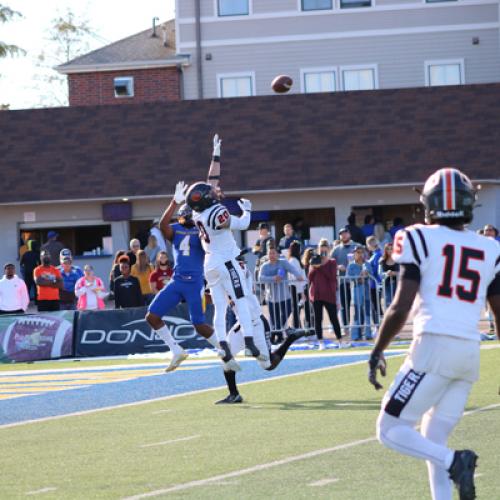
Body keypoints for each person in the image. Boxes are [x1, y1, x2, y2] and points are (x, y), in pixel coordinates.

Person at [368, 167, 500, 500]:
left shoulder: (416, 236)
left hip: (433, 347)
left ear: (430, 205)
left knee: (389, 429)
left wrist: (377, 350)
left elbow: (400, 306)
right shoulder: (490, 248)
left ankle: (456, 461)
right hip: (469, 356)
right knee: (432, 438)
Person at [186, 134, 268, 370]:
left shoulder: (197, 213)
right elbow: (241, 225)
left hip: (209, 263)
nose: (215, 190)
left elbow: (210, 181)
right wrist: (248, 211)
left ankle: (223, 346)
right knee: (240, 298)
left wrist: (216, 155)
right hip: (226, 260)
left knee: (220, 307)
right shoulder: (217, 212)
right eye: (211, 192)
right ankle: (251, 342)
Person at [216, 251, 307, 404]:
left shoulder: (240, 269)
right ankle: (234, 394)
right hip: (241, 324)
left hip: (256, 323)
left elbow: (238, 271)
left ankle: (290, 338)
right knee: (226, 357)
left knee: (268, 365)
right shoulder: (224, 274)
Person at [146, 194, 222, 372]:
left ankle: (224, 348)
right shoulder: (177, 230)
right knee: (152, 317)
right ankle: (176, 350)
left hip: (195, 282)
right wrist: (174, 202)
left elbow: (215, 235)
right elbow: (163, 225)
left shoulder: (202, 230)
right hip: (177, 280)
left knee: (199, 325)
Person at [259, 247, 304, 343]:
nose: (272, 255)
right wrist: (273, 278)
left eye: (274, 253)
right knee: (274, 319)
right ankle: (278, 337)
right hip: (271, 297)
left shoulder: (283, 262)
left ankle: (274, 333)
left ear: (278, 254)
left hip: (285, 296)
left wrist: (298, 276)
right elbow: (260, 278)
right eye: (270, 253)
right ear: (267, 255)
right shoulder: (264, 266)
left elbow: (292, 269)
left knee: (285, 314)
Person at [308, 240, 343, 349]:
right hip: (316, 294)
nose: (323, 252)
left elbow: (332, 277)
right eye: (321, 249)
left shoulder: (332, 262)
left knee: (333, 318)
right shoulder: (314, 260)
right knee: (318, 319)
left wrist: (322, 266)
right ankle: (321, 342)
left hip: (329, 294)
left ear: (328, 249)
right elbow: (310, 277)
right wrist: (314, 266)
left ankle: (340, 341)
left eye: (325, 249)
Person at [331, 228, 357, 332]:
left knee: (359, 304)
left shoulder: (357, 246)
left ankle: (359, 327)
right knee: (345, 305)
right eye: (341, 234)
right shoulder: (336, 249)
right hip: (343, 282)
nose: (344, 235)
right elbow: (329, 264)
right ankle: (346, 327)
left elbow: (365, 260)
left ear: (349, 234)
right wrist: (337, 267)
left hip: (357, 281)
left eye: (346, 233)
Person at [347, 245, 373, 340]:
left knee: (367, 312)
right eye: (358, 252)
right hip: (356, 290)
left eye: (361, 252)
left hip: (366, 291)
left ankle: (368, 334)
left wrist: (366, 274)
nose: (360, 254)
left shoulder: (367, 264)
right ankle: (355, 335)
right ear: (354, 254)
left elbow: (371, 275)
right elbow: (348, 277)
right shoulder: (351, 265)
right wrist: (358, 277)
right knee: (357, 313)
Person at [287, 240, 306, 329]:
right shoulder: (293, 260)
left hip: (297, 288)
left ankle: (297, 327)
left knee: (297, 309)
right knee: (296, 309)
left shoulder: (295, 260)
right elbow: (297, 277)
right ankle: (296, 327)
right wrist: (302, 292)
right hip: (296, 288)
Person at [366, 236, 383, 329]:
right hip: (373, 284)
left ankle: (381, 326)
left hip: (375, 284)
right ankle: (378, 326)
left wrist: (368, 271)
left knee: (376, 306)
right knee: (375, 306)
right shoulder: (375, 254)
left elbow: (376, 270)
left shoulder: (377, 255)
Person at [378, 242, 400, 310]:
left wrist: (395, 273)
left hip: (398, 284)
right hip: (386, 284)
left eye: (391, 249)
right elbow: (380, 274)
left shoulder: (399, 260)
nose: (390, 251)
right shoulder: (382, 261)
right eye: (388, 249)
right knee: (388, 303)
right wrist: (387, 274)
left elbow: (403, 272)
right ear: (385, 250)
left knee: (398, 303)